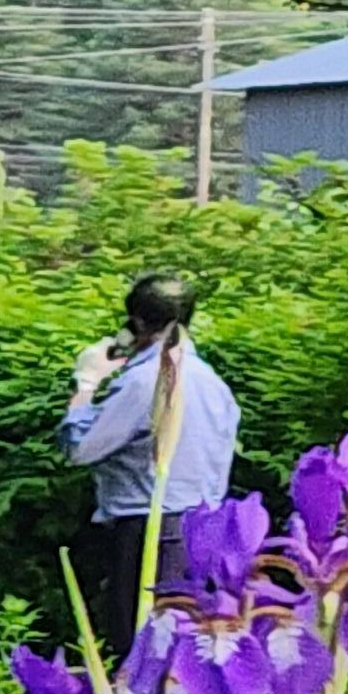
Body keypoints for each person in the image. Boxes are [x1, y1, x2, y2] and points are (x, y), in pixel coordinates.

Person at [62, 269, 238, 632]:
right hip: (205, 528)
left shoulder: (144, 381)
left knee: (138, 644)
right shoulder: (214, 383)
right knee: (185, 643)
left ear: (137, 322)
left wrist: (86, 384)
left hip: (151, 533)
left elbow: (81, 449)